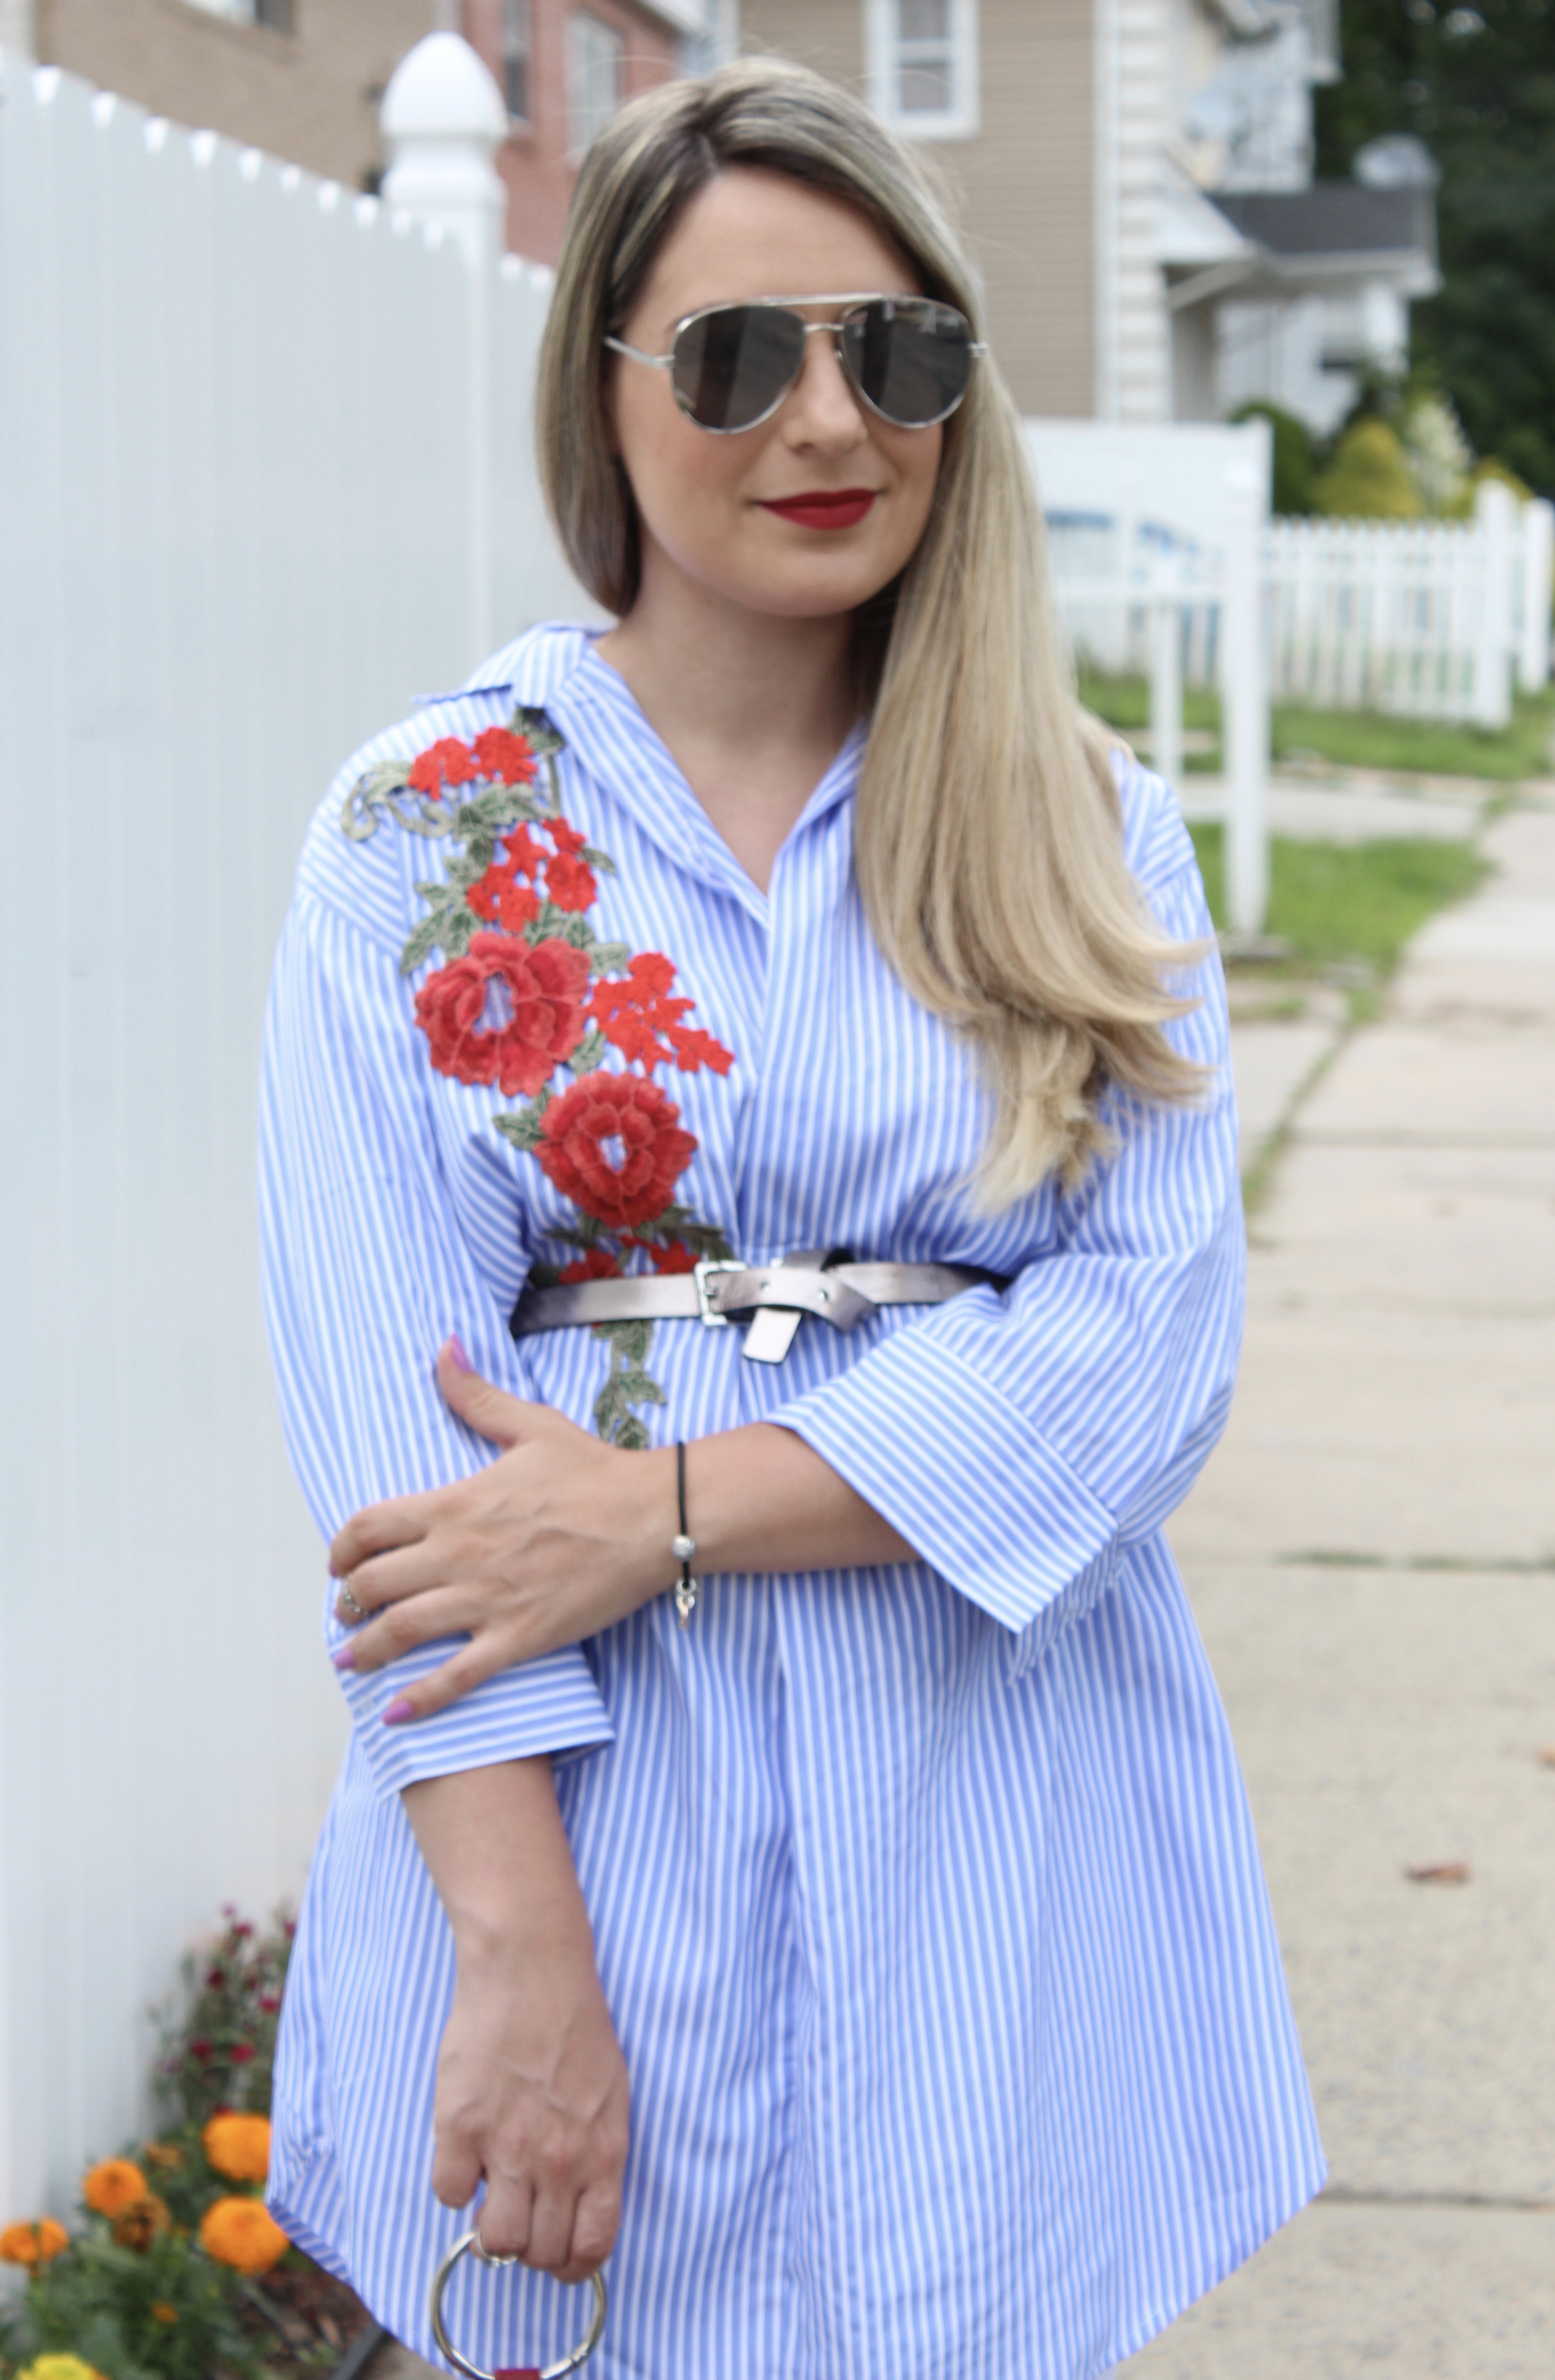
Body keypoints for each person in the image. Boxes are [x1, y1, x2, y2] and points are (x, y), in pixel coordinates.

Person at [259, 55, 1323, 2380]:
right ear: (605, 394)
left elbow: (1141, 1349)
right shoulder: (424, 833)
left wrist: (658, 1511)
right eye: (740, 357)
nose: (830, 421)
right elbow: (399, 1466)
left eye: (895, 350)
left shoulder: (1078, 830)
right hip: (579, 1820)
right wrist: (518, 1950)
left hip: (992, 1817)